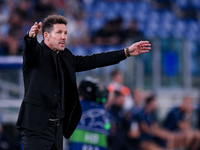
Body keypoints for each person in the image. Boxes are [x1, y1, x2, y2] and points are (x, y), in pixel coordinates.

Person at [16, 14, 151, 150]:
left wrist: (126, 52)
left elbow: (94, 60)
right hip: (36, 127)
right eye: (59, 33)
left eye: (65, 33)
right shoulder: (36, 55)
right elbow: (30, 49)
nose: (64, 37)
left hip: (57, 127)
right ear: (46, 36)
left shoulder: (66, 57)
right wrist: (30, 37)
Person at [69, 77, 110, 150]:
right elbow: (108, 127)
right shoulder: (102, 109)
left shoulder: (77, 106)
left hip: (77, 146)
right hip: (99, 146)